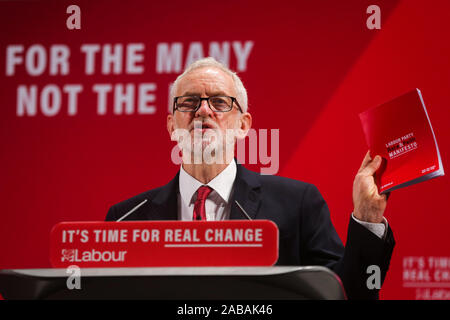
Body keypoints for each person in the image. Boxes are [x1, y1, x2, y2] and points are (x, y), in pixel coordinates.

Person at [105, 57, 395, 299]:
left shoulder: (298, 204)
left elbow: (347, 294)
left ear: (243, 125)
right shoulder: (125, 218)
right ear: (171, 125)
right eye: (189, 102)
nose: (202, 111)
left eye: (219, 102)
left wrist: (367, 219)